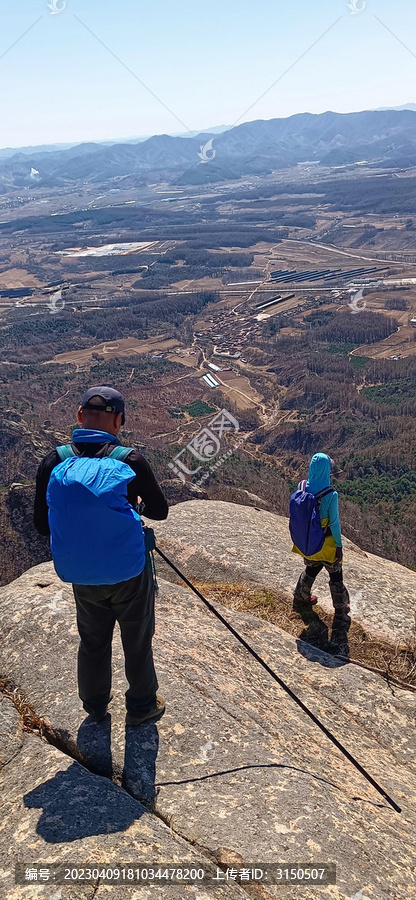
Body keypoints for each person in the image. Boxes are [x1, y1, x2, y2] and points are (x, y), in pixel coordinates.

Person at [34, 385, 169, 726]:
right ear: (119, 421)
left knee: (93, 641)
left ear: (79, 417)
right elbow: (160, 511)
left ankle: (94, 706)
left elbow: (41, 525)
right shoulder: (130, 461)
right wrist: (132, 504)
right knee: (136, 639)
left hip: (81, 573)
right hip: (129, 571)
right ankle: (142, 705)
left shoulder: (55, 461)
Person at [291, 452, 350, 616]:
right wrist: (339, 545)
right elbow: (334, 523)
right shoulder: (331, 494)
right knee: (336, 574)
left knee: (311, 568)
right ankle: (340, 607)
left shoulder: (301, 486)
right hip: (327, 543)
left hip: (309, 541)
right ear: (326, 470)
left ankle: (300, 596)